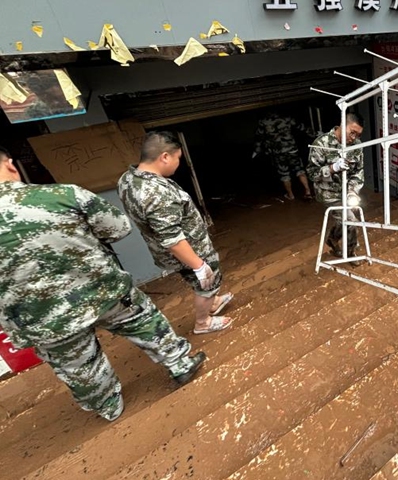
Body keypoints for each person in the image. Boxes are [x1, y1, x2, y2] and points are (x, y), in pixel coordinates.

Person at [0, 146, 206, 421]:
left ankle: (109, 406)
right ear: (11, 166)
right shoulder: (62, 195)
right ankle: (180, 363)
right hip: (102, 290)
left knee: (79, 367)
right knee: (143, 322)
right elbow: (118, 228)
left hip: (42, 318)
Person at [118, 132, 234, 335]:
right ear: (164, 156)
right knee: (206, 282)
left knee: (197, 282)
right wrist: (199, 266)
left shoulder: (128, 179)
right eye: (178, 158)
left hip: (165, 251)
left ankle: (212, 302)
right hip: (190, 251)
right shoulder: (155, 193)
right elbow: (172, 239)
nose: (178, 163)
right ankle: (203, 322)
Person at [307, 112, 365, 258]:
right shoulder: (321, 143)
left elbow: (358, 171)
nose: (354, 138)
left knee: (344, 217)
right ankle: (351, 252)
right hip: (328, 192)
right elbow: (312, 174)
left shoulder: (356, 145)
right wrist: (332, 168)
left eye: (358, 135)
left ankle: (332, 239)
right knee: (351, 221)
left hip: (346, 191)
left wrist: (352, 191)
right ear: (341, 125)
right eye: (352, 133)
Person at [252, 112, 315, 200]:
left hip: (278, 152)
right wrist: (314, 134)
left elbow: (259, 137)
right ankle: (308, 191)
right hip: (292, 149)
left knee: (284, 174)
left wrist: (257, 150)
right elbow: (301, 127)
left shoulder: (263, 122)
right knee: (300, 170)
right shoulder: (286, 118)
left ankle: (290, 195)